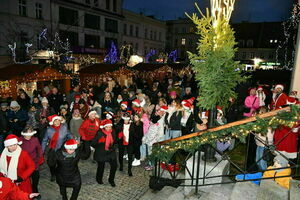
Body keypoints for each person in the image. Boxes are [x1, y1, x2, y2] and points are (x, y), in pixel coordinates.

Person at [42, 115, 72, 181]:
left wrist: (73, 141)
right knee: (51, 163)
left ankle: (60, 174)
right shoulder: (49, 130)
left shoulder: (64, 127)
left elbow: (69, 135)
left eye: (59, 120)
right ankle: (53, 174)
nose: (58, 122)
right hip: (52, 148)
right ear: (53, 122)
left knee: (61, 164)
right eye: (56, 120)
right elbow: (44, 140)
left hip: (61, 149)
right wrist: (42, 151)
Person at [91, 119, 118, 187]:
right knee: (101, 167)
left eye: (110, 127)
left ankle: (111, 180)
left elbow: (115, 141)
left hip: (111, 151)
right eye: (107, 127)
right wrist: (99, 142)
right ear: (104, 127)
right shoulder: (99, 133)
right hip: (101, 152)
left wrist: (117, 142)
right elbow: (93, 143)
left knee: (114, 166)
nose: (109, 128)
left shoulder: (113, 132)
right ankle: (99, 179)